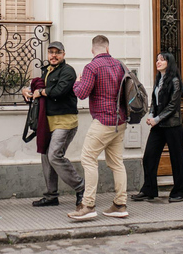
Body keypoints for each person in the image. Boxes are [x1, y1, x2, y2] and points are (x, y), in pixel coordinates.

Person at [69, 35, 128, 221]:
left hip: (103, 121)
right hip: (120, 121)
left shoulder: (91, 67)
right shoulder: (119, 65)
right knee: (117, 162)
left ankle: (88, 205)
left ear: (92, 50)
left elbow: (81, 93)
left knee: (88, 158)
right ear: (108, 49)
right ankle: (120, 204)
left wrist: (77, 82)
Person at [22, 41, 85, 208]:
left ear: (63, 54)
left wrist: (41, 91)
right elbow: (36, 87)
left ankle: (81, 188)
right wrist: (27, 90)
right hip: (47, 121)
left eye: (57, 52)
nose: (54, 55)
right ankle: (51, 195)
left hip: (65, 121)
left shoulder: (68, 71)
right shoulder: (46, 71)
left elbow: (59, 91)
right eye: (51, 52)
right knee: (45, 155)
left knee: (54, 155)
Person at [131, 52, 183, 203]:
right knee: (149, 156)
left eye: (162, 60)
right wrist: (150, 114)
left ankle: (181, 191)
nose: (158, 62)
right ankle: (149, 189)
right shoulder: (159, 80)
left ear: (169, 63)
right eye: (157, 59)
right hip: (158, 125)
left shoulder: (175, 81)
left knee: (177, 159)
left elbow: (172, 106)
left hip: (172, 125)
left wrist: (156, 119)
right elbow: (155, 102)